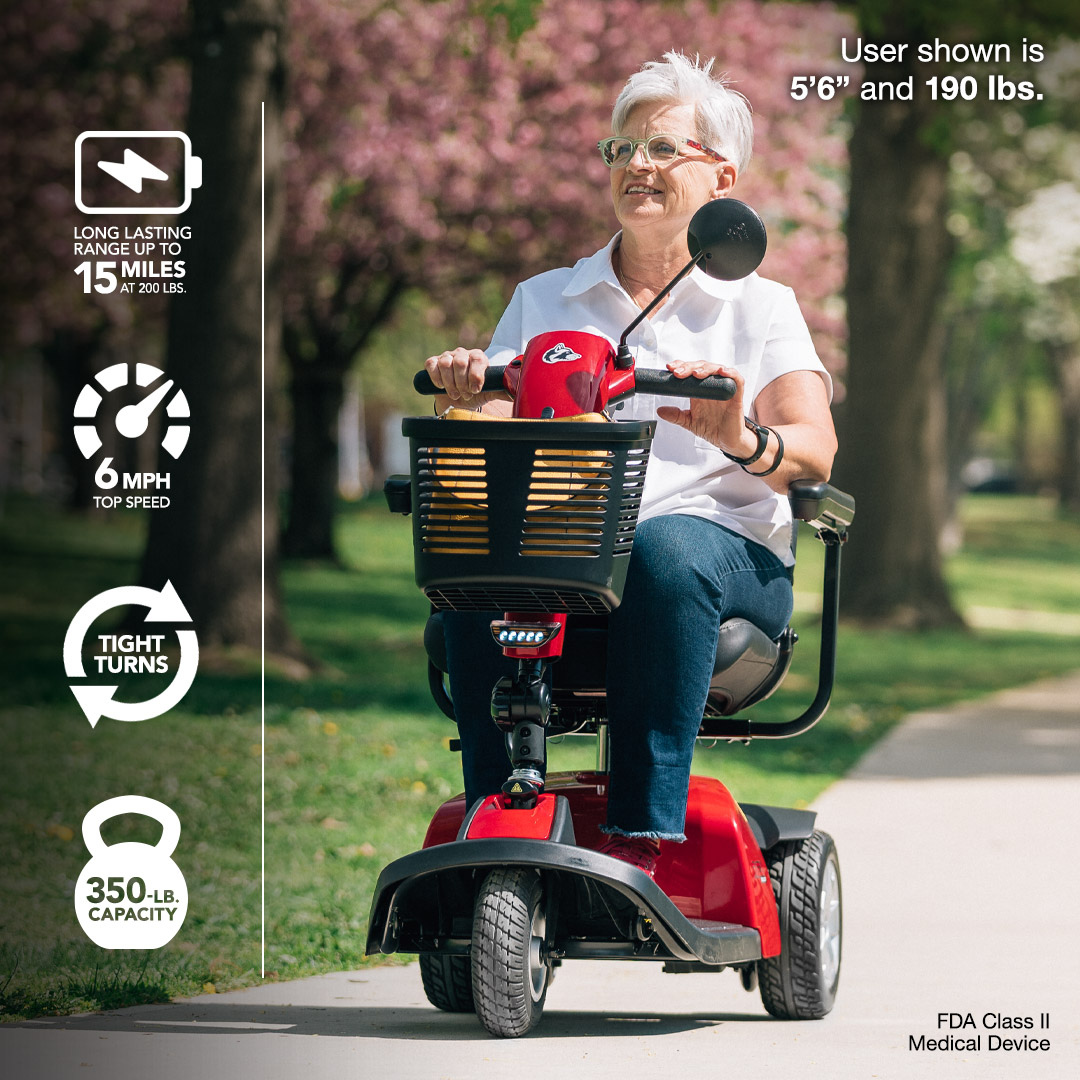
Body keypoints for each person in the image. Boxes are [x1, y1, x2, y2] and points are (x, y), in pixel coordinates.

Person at [423, 52, 837, 876]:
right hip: (569, 554)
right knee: (480, 576)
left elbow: (815, 447)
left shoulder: (762, 306)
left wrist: (739, 438)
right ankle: (490, 824)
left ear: (721, 177)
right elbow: (503, 418)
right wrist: (468, 395)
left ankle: (645, 832)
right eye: (622, 151)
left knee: (663, 548)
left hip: (721, 557)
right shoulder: (547, 298)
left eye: (660, 149)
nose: (635, 166)